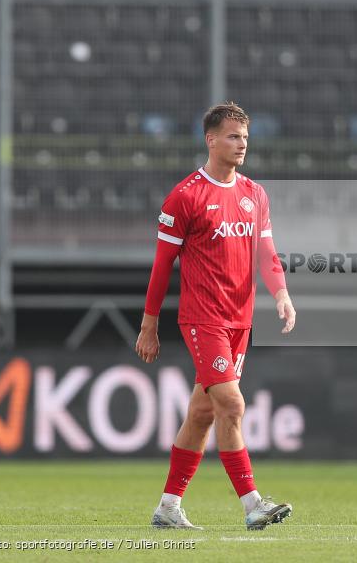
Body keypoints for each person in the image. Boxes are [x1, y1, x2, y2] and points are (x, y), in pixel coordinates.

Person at [135, 102, 296, 530]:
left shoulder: (254, 195)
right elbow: (161, 266)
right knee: (232, 403)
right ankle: (252, 504)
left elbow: (267, 254)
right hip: (203, 318)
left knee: (203, 413)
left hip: (239, 320)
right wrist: (149, 325)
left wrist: (281, 293)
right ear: (210, 139)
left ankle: (168, 507)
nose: (241, 144)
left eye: (244, 137)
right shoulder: (186, 196)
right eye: (232, 136)